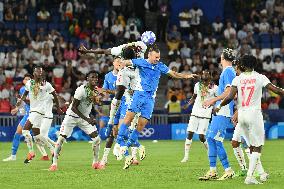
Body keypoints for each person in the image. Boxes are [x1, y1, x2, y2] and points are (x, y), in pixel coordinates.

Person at [118, 45, 197, 169]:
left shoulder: (160, 66)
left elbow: (173, 73)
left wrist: (186, 76)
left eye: (159, 57)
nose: (157, 59)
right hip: (139, 95)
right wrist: (121, 63)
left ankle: (127, 147)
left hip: (150, 100)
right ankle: (121, 145)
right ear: (149, 55)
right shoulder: (141, 62)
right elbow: (126, 62)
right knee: (127, 120)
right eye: (156, 57)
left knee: (141, 125)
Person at [215, 54, 284, 184]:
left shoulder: (238, 79)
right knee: (257, 146)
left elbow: (229, 97)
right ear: (254, 64)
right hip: (254, 114)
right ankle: (250, 177)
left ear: (242, 65)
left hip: (242, 115)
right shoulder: (260, 77)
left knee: (250, 145)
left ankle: (260, 173)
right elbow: (276, 90)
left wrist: (219, 106)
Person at [49, 71, 102, 171]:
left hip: (84, 117)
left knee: (97, 139)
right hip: (71, 117)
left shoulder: (95, 90)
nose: (95, 79)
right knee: (61, 139)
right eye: (92, 77)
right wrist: (87, 119)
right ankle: (54, 163)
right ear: (87, 79)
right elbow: (73, 107)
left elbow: (94, 103)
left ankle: (95, 162)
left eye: (96, 77)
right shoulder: (81, 90)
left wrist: (99, 102)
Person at [200, 48, 236, 181]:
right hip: (220, 110)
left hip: (223, 111)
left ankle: (228, 170)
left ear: (222, 57)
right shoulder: (228, 71)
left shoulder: (228, 71)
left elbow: (229, 93)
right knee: (210, 139)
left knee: (216, 140)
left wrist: (213, 100)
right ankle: (212, 170)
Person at [14, 65, 62, 164]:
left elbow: (55, 96)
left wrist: (58, 107)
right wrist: (20, 102)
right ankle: (53, 149)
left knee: (25, 130)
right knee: (37, 135)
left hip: (40, 111)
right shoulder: (29, 83)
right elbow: (25, 94)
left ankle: (31, 152)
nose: (40, 73)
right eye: (37, 72)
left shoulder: (46, 84)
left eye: (41, 72)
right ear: (34, 73)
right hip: (33, 110)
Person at [181, 70, 217, 163]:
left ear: (210, 77)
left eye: (206, 74)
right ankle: (186, 156)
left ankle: (210, 152)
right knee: (190, 133)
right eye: (203, 74)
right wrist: (188, 104)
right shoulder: (197, 85)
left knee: (201, 136)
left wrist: (215, 107)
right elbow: (194, 96)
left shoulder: (215, 88)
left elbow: (217, 99)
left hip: (206, 114)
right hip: (195, 112)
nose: (204, 75)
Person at [2, 74, 34, 161]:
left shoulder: (34, 89)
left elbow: (30, 102)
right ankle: (13, 156)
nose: (27, 80)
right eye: (25, 79)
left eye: (29, 79)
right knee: (18, 133)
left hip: (35, 114)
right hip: (27, 114)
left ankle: (35, 153)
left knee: (38, 137)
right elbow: (22, 102)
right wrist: (17, 108)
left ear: (32, 81)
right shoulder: (22, 89)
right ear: (23, 81)